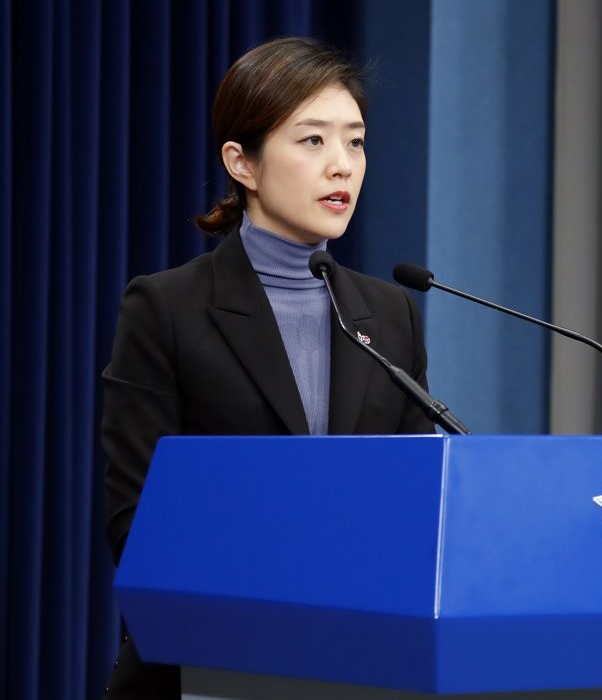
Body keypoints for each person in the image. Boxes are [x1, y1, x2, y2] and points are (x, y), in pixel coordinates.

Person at [101, 37, 436, 698]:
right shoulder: (167, 307)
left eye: (356, 142)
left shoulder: (390, 312)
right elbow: (136, 522)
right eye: (313, 141)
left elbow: (415, 505)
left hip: (361, 663)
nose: (342, 166)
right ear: (242, 163)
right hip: (209, 662)